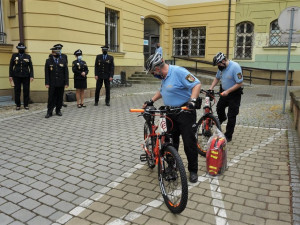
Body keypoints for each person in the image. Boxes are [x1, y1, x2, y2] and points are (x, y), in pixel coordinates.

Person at [143, 52, 201, 183]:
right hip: (170, 113)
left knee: (189, 143)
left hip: (185, 112)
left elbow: (196, 84)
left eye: (152, 72)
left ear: (157, 68)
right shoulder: (163, 77)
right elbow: (163, 91)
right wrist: (151, 100)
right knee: (169, 142)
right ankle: (171, 167)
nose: (153, 75)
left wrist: (192, 101)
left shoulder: (178, 72)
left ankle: (193, 170)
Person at [209, 52, 243, 142]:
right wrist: (211, 88)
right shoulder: (221, 68)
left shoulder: (235, 67)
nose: (218, 66)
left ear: (224, 60)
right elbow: (217, 78)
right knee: (219, 107)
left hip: (234, 94)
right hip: (224, 92)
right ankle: (222, 118)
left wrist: (228, 91)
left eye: (219, 63)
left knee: (232, 115)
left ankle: (228, 135)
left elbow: (239, 83)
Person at [44, 47, 69, 118]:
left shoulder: (63, 60)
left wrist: (66, 82)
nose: (57, 54)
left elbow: (66, 72)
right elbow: (46, 73)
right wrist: (47, 83)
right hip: (52, 83)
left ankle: (58, 110)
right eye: (55, 52)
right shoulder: (48, 61)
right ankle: (49, 112)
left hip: (61, 82)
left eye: (58, 52)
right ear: (52, 53)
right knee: (51, 97)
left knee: (60, 97)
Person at [9, 42, 34, 110]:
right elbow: (11, 66)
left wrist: (31, 76)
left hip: (26, 76)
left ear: (24, 49)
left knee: (26, 90)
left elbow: (31, 67)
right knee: (17, 91)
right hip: (16, 76)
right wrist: (10, 76)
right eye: (20, 48)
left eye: (22, 48)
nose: (21, 50)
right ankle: (18, 105)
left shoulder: (27, 56)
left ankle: (26, 104)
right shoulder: (14, 56)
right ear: (18, 49)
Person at [50, 43, 68, 107]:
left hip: (61, 77)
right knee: (54, 92)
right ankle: (54, 103)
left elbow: (66, 67)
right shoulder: (51, 56)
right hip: (54, 78)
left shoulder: (64, 56)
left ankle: (61, 102)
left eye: (60, 49)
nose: (59, 50)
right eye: (58, 49)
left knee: (61, 92)